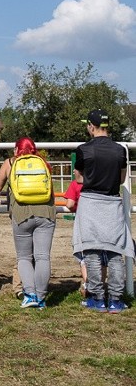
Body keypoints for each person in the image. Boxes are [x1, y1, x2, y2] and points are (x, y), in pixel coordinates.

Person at [71, 109, 132, 314]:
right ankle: (115, 298)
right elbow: (122, 178)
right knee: (115, 252)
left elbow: (79, 178)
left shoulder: (83, 149)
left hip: (90, 202)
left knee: (92, 251)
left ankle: (96, 297)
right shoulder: (119, 150)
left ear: (91, 126)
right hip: (112, 202)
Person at [0, 138, 55, 309]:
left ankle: (29, 295)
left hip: (21, 214)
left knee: (24, 257)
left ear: (16, 150)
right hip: (46, 214)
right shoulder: (43, 163)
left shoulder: (9, 163)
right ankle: (42, 297)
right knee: (42, 257)